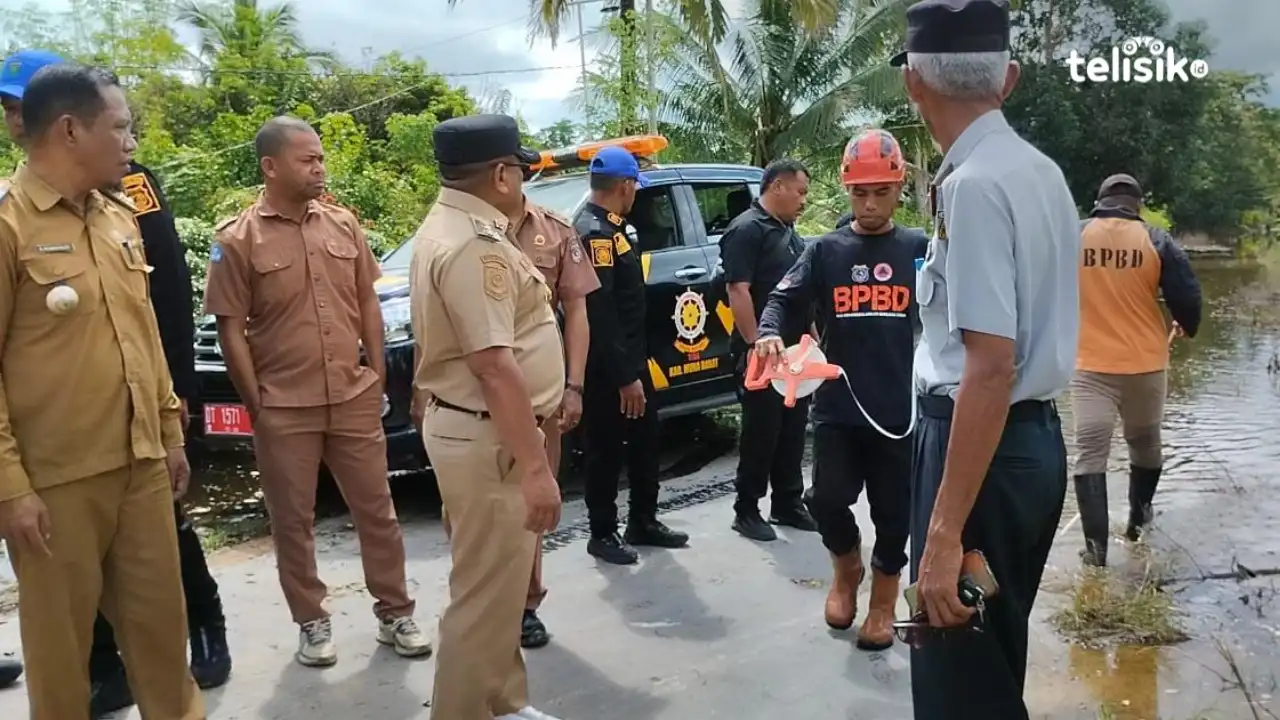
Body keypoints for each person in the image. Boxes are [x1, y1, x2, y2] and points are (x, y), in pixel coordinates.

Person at [889, 0, 1081, 717]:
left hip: (977, 452)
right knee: (990, 663)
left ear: (913, 82)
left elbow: (990, 366)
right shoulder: (1040, 172)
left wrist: (943, 536)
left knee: (957, 680)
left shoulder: (973, 186)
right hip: (1029, 448)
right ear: (1010, 78)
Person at [0, 63, 204, 720]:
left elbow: (144, 334)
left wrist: (169, 433)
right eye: (119, 127)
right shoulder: (8, 226)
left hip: (141, 465)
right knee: (62, 660)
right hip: (55, 483)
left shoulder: (118, 217)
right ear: (69, 130)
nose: (130, 142)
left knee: (163, 641)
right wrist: (10, 487)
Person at [203, 116, 429, 667]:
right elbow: (230, 328)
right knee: (293, 522)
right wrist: (256, 402)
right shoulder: (236, 239)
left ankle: (395, 612)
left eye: (321, 158)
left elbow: (368, 300)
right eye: (307, 159)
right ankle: (312, 621)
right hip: (283, 406)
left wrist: (376, 372)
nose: (319, 168)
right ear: (270, 166)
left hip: (351, 396)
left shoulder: (342, 224)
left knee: (377, 512)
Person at [409, 113, 564, 720]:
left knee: (499, 590)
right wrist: (536, 468)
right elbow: (495, 366)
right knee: (482, 600)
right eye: (520, 170)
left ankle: (502, 701)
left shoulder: (453, 225)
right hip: (489, 437)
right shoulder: (474, 245)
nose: (522, 182)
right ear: (501, 174)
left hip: (478, 430)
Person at [756, 129, 927, 650]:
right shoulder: (825, 251)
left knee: (894, 512)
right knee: (826, 498)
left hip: (898, 410)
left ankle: (884, 601)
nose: (869, 204)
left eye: (881, 192)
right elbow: (782, 300)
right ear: (847, 191)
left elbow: (953, 313)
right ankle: (847, 566)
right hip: (838, 405)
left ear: (899, 189)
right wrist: (768, 333)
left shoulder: (919, 249)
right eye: (859, 193)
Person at [1072, 173, 1201, 566]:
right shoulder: (1157, 240)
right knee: (1145, 444)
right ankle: (1137, 526)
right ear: (1138, 206)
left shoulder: (1074, 234)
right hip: (1146, 364)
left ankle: (1096, 553)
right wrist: (1186, 323)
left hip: (1090, 365)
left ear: (1100, 202)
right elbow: (1186, 293)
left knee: (1090, 452)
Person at [578, 146, 689, 565]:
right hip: (608, 367)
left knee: (645, 440)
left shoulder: (616, 228)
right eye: (634, 187)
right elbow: (600, 312)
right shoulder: (595, 235)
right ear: (624, 186)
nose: (636, 194)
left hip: (634, 358)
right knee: (606, 447)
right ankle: (602, 531)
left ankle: (643, 520)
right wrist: (625, 376)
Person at [510, 195, 599, 644]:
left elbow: (577, 312)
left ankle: (525, 605)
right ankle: (486, 599)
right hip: (474, 396)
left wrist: (574, 386)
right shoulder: (463, 226)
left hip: (540, 393)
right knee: (474, 507)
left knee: (536, 501)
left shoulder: (555, 230)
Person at [719, 158, 818, 541]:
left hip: (794, 351)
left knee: (792, 429)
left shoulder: (788, 232)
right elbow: (737, 290)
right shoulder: (747, 229)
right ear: (777, 186)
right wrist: (753, 343)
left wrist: (811, 337)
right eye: (800, 191)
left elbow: (800, 293)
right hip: (761, 352)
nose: (804, 200)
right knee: (761, 432)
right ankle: (747, 509)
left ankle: (787, 502)